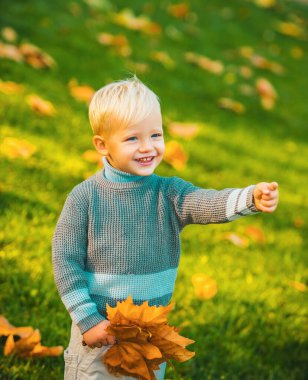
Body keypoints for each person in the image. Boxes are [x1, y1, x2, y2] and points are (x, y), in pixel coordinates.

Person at [52, 76, 279, 380]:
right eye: (133, 139)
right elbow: (65, 261)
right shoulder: (85, 198)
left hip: (150, 334)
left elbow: (207, 203)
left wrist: (250, 196)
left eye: (156, 135)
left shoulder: (168, 193)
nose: (148, 147)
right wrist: (87, 319)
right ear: (102, 145)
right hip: (101, 332)